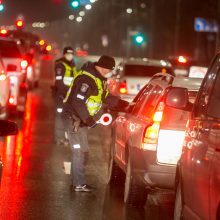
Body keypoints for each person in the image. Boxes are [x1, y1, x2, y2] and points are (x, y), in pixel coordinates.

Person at [62, 55, 129, 192]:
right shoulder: (87, 79)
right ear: (101, 66)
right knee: (79, 151)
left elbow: (104, 96)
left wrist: (123, 105)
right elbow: (77, 102)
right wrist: (89, 120)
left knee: (84, 151)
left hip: (80, 121)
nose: (109, 72)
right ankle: (78, 184)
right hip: (73, 119)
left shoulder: (98, 79)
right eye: (108, 70)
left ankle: (77, 181)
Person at [53, 46, 78, 146]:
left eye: (71, 54)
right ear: (64, 54)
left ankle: (67, 138)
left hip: (70, 96)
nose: (70, 56)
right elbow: (59, 82)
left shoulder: (72, 65)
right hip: (61, 96)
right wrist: (62, 95)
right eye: (68, 54)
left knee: (68, 117)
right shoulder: (60, 65)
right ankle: (59, 138)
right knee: (59, 117)